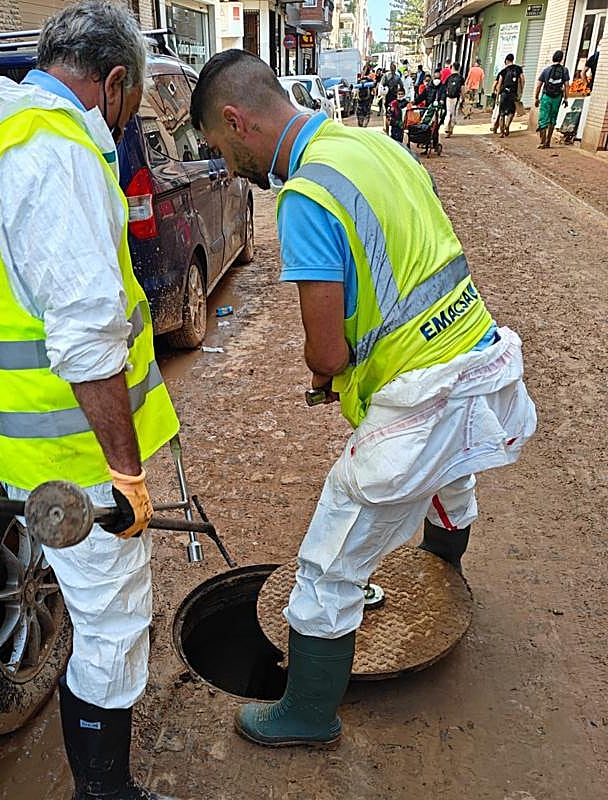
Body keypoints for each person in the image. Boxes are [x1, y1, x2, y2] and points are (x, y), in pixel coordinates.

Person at [190, 48, 536, 749]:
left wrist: (324, 377)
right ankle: (442, 572)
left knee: (329, 563)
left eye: (220, 147)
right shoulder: (374, 147)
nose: (227, 164)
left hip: (422, 392)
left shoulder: (306, 195)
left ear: (236, 120)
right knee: (451, 479)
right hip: (479, 353)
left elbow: (326, 353)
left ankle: (308, 714)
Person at [0, 3, 181, 799]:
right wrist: (126, 476)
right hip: (77, 460)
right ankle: (106, 793)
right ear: (114, 82)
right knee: (112, 633)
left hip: (32, 449)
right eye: (131, 102)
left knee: (93, 618)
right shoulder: (56, 152)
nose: (126, 119)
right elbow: (88, 336)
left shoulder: (3, 138)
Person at [535, 50, 570, 149]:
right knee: (552, 119)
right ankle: (548, 141)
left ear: (553, 58)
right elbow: (567, 85)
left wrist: (536, 98)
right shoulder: (565, 70)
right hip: (557, 97)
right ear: (561, 59)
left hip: (546, 97)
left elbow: (539, 85)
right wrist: (566, 98)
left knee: (543, 119)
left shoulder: (546, 70)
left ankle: (542, 142)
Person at [494, 53, 524, 137]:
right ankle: (507, 126)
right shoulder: (518, 69)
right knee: (511, 112)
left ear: (506, 61)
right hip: (513, 94)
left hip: (504, 93)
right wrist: (521, 90)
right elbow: (522, 79)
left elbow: (499, 84)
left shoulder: (503, 71)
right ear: (512, 60)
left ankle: (502, 132)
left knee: (502, 113)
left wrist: (497, 96)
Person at [425, 68, 447, 150]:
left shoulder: (443, 87)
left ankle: (435, 144)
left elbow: (444, 95)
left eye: (438, 77)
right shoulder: (429, 87)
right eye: (435, 77)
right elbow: (423, 95)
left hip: (438, 110)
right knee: (427, 126)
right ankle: (426, 143)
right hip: (429, 109)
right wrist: (414, 102)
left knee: (435, 128)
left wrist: (442, 100)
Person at [380, 63, 403, 131]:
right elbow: (401, 86)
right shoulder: (396, 77)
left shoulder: (386, 76)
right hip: (391, 96)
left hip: (390, 96)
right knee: (392, 113)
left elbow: (381, 85)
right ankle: (388, 127)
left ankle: (388, 128)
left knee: (389, 113)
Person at [443, 62, 465, 136]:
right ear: (459, 68)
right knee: (454, 113)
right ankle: (451, 129)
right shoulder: (461, 78)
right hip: (456, 97)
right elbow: (462, 89)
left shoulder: (449, 77)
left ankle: (446, 128)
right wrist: (463, 98)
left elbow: (445, 88)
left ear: (452, 68)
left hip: (448, 97)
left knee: (448, 112)